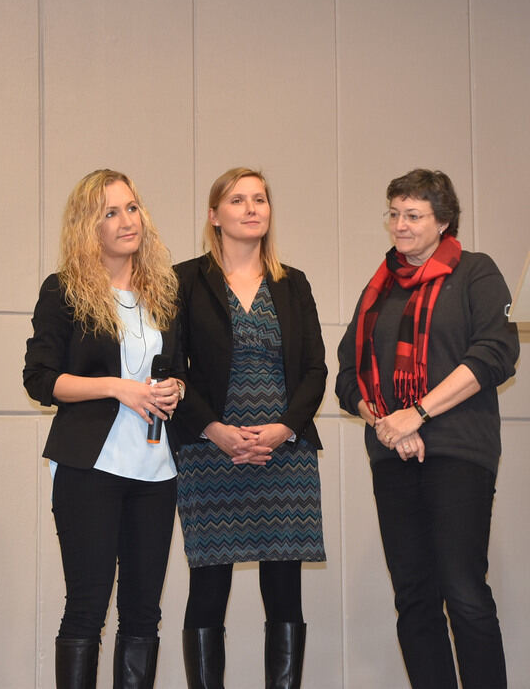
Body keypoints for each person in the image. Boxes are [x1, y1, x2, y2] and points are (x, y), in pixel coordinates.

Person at [336, 169, 520, 689]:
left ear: (443, 221)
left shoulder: (475, 273)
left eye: (413, 215)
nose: (400, 224)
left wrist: (418, 413)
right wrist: (389, 424)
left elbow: (495, 353)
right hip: (392, 456)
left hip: (459, 452)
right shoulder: (380, 287)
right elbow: (348, 376)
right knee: (413, 596)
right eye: (394, 213)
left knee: (462, 588)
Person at [23, 169, 184, 688]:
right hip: (90, 467)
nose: (125, 221)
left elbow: (180, 365)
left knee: (143, 614)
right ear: (87, 227)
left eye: (131, 208)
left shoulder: (164, 292)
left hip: (156, 471)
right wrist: (117, 387)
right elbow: (40, 379)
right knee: (87, 608)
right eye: (110, 212)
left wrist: (175, 387)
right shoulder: (65, 290)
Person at [173, 168, 328, 689]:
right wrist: (215, 430)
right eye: (237, 200)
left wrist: (284, 428)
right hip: (208, 450)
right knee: (207, 588)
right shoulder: (184, 279)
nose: (251, 208)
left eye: (259, 198)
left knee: (284, 589)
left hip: (284, 453)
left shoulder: (293, 282)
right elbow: (171, 369)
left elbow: (314, 370)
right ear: (215, 216)